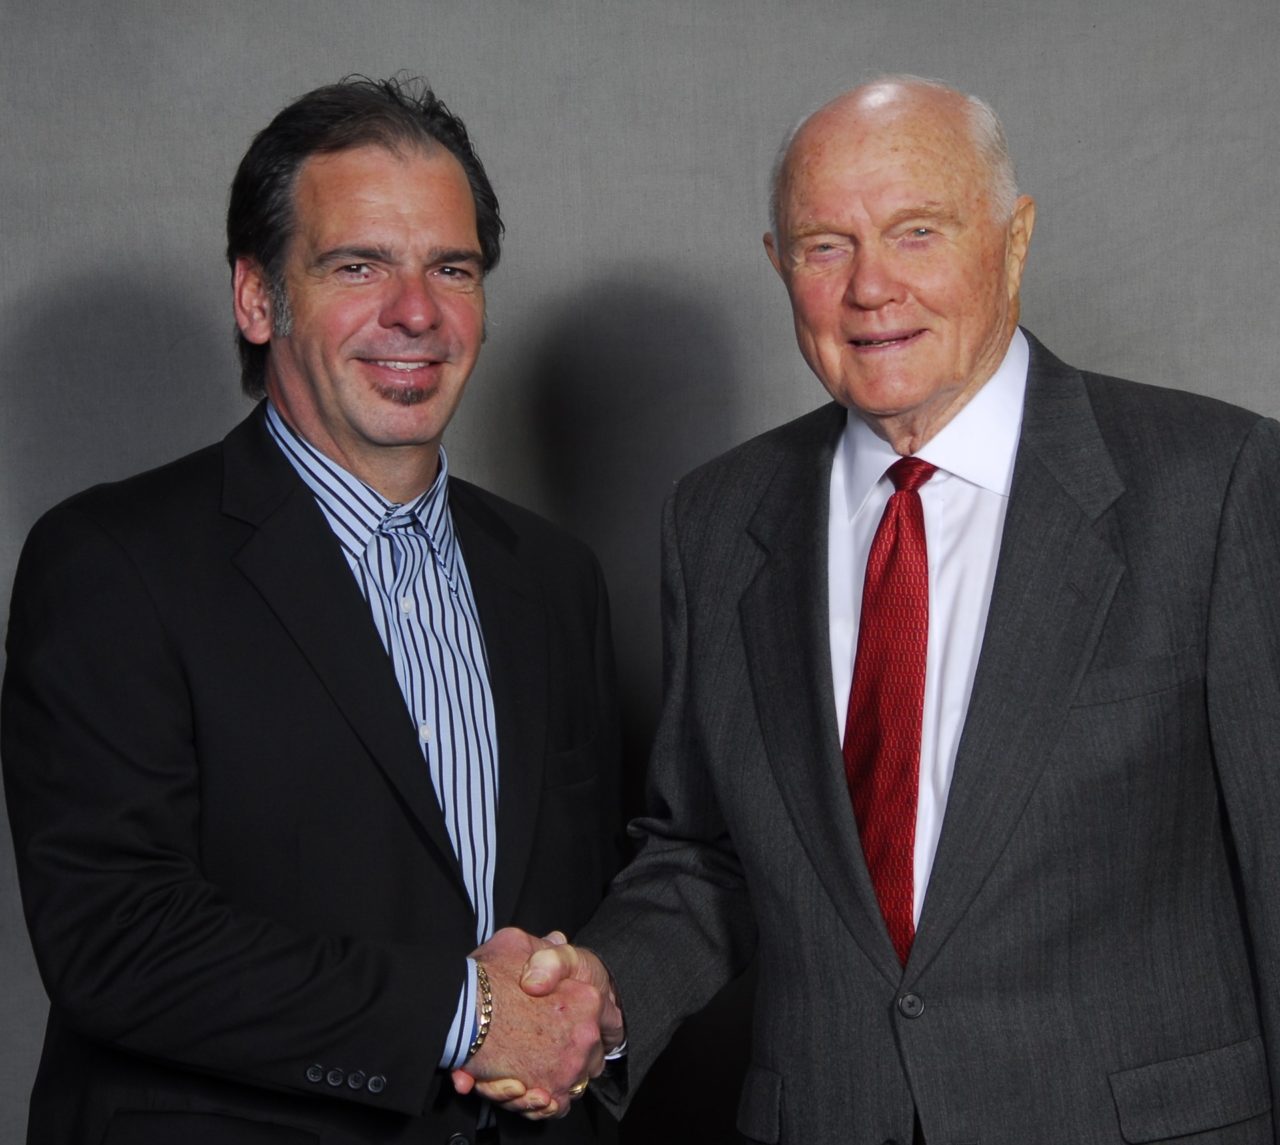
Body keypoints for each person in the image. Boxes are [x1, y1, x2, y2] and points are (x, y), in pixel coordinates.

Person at [467, 76, 1280, 1142]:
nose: (870, 289)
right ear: (777, 265)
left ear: (1013, 239)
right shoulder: (717, 519)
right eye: (823, 246)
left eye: (915, 231)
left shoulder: (1210, 483)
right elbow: (706, 853)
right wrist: (595, 995)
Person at [2, 76, 621, 1145]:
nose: (415, 310)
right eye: (357, 264)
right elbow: (118, 936)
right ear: (257, 298)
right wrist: (465, 1013)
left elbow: (574, 908)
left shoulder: (553, 578)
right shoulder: (109, 560)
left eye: (451, 267)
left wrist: (589, 1011)